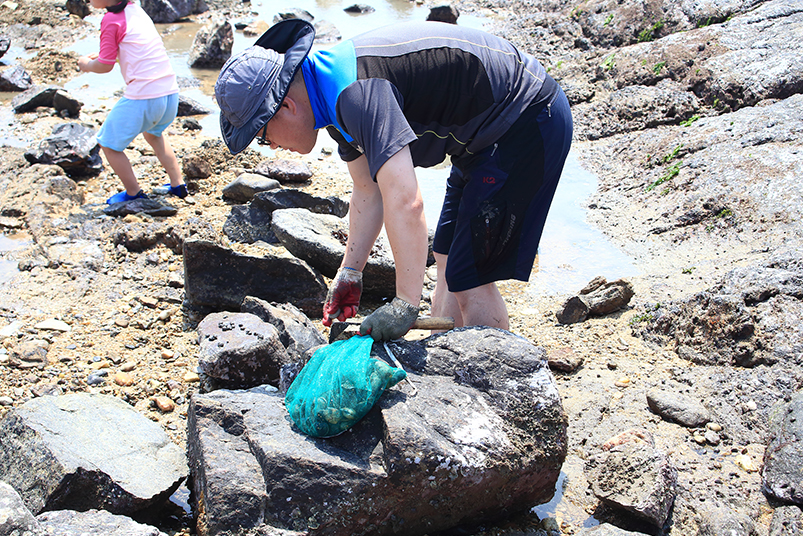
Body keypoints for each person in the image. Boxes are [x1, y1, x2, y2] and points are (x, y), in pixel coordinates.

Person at [215, 19, 573, 341]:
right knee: (447, 257)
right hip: (479, 143)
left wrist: (405, 303)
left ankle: (498, 388)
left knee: (471, 274)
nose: (271, 145)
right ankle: (451, 371)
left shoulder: (356, 93)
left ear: (286, 107)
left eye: (263, 135)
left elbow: (406, 200)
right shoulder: (327, 96)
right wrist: (350, 272)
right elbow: (368, 193)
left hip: (526, 120)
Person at [77, 0, 187, 204]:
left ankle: (133, 193)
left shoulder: (111, 19)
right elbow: (136, 49)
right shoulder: (136, 10)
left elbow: (104, 66)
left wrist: (87, 64)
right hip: (170, 94)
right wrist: (103, 57)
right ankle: (178, 184)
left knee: (108, 143)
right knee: (154, 135)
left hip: (145, 97)